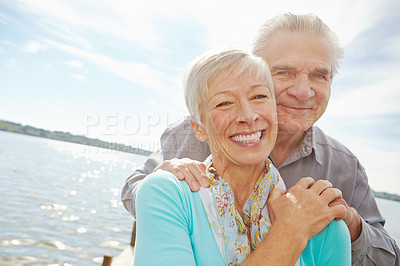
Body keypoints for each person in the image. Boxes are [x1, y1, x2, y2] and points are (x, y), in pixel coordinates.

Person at [123, 13, 400, 265]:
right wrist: (165, 183)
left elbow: (389, 257)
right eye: (284, 72)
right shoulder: (190, 133)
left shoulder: (344, 167)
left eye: (319, 75)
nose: (303, 91)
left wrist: (348, 221)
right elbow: (136, 189)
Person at [134, 48, 351, 265]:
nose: (248, 116)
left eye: (259, 96)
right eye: (224, 103)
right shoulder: (167, 193)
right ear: (198, 128)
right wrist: (290, 232)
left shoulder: (325, 226)